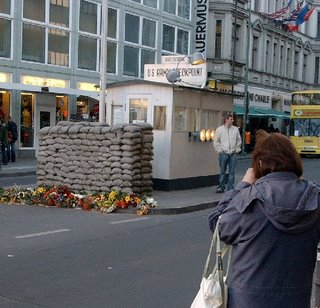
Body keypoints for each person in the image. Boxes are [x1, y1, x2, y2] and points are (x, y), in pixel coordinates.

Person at [208, 130, 320, 308]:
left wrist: (242, 186)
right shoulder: (314, 197)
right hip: (296, 300)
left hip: (248, 301)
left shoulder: (248, 198)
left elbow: (218, 225)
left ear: (260, 163)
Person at [213, 113, 242, 192]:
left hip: (233, 153)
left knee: (232, 172)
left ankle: (231, 188)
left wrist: (237, 150)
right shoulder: (220, 129)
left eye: (232, 119)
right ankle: (221, 187)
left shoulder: (235, 129)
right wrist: (220, 151)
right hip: (224, 153)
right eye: (231, 119)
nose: (232, 121)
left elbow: (239, 140)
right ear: (226, 120)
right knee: (222, 171)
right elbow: (216, 141)